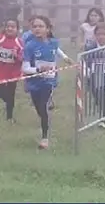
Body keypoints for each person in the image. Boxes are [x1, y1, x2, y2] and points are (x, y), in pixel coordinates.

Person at [22, 15, 70, 150]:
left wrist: (65, 58)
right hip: (33, 82)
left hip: (49, 81)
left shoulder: (54, 42)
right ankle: (46, 109)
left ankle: (45, 138)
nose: (37, 29)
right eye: (34, 26)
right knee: (39, 109)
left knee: (43, 107)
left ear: (48, 29)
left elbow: (57, 51)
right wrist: (38, 69)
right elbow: (25, 68)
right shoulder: (29, 46)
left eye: (41, 26)